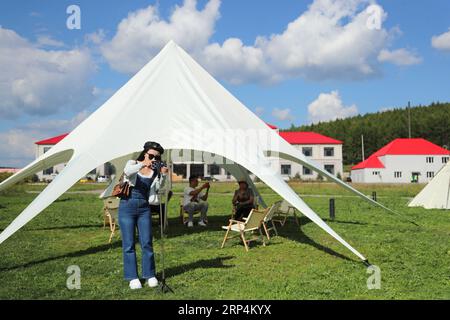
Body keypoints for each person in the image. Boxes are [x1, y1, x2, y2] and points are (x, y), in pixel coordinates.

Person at [118, 141, 168, 290]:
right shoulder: (132, 163)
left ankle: (150, 274)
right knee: (129, 244)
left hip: (144, 208)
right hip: (127, 205)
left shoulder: (154, 172)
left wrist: (163, 176)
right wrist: (142, 164)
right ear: (145, 153)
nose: (153, 159)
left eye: (156, 158)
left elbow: (159, 189)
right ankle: (133, 277)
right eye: (151, 155)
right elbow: (127, 172)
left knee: (147, 242)